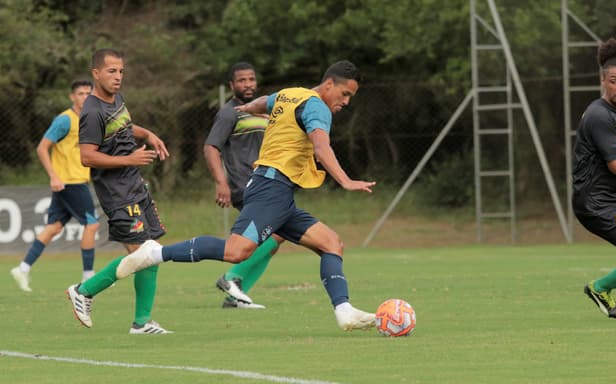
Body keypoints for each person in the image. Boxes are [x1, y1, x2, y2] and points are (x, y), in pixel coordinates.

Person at [112, 60, 377, 331]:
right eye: (345, 94)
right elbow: (321, 148)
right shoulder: (318, 107)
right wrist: (345, 180)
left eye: (350, 97)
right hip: (271, 187)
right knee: (236, 251)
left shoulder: (292, 94)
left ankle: (344, 311)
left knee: (331, 243)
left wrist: (248, 108)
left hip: (278, 192)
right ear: (329, 84)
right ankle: (154, 253)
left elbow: (264, 101)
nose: (346, 101)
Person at [65, 48, 172, 334]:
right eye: (111, 71)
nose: (118, 76)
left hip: (134, 185)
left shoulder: (116, 100)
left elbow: (124, 126)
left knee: (153, 253)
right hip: (117, 193)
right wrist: (129, 159)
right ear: (96, 73)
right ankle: (83, 290)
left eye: (121, 71)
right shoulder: (91, 111)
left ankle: (142, 322)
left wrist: (147, 133)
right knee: (144, 253)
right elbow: (87, 157)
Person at [204, 62, 283, 309]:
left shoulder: (261, 111)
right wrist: (221, 183)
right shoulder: (229, 113)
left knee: (272, 239)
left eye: (251, 79)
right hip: (244, 185)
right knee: (278, 233)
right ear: (232, 85)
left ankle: (235, 297)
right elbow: (210, 147)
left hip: (265, 183)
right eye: (241, 80)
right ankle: (231, 279)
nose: (247, 84)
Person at [10, 80, 100, 292]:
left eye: (88, 93)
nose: (85, 97)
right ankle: (88, 276)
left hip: (74, 182)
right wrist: (53, 176)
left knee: (54, 227)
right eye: (80, 93)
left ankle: (22, 268)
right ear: (72, 97)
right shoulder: (64, 120)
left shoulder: (90, 120)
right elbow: (42, 148)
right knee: (92, 224)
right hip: (70, 183)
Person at [575, 37, 616, 320]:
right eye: (614, 81)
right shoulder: (599, 115)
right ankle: (600, 287)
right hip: (597, 202)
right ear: (603, 80)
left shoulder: (615, 115)